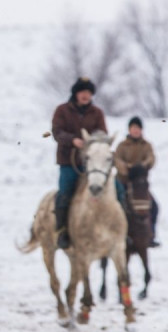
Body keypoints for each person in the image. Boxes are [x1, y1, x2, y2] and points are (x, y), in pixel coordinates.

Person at [51, 77, 108, 249]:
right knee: (65, 193)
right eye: (82, 92)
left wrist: (93, 143)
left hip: (93, 164)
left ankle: (118, 229)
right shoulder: (62, 110)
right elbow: (57, 132)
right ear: (76, 93)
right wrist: (73, 140)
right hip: (68, 162)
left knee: (114, 190)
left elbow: (103, 134)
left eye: (89, 93)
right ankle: (62, 231)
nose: (85, 95)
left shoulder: (97, 113)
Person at [114, 116, 160, 247]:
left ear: (141, 130)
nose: (135, 131)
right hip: (123, 183)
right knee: (118, 206)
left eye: (138, 128)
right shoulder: (122, 146)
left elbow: (151, 159)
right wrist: (127, 169)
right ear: (129, 129)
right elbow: (117, 161)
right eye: (133, 128)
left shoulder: (146, 145)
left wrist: (141, 167)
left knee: (154, 207)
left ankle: (150, 235)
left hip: (140, 186)